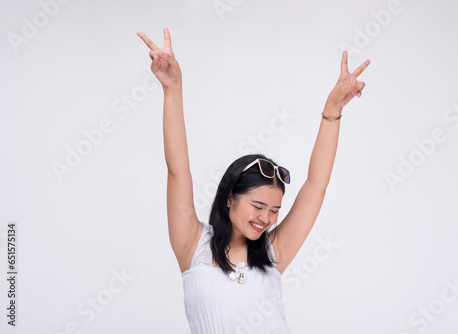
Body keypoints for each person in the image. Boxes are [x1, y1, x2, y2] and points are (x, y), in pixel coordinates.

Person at [137, 27, 370, 333]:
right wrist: (172, 89)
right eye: (258, 206)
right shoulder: (193, 246)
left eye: (274, 210)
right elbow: (178, 170)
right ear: (230, 197)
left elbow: (316, 185)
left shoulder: (274, 252)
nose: (266, 219)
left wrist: (332, 111)